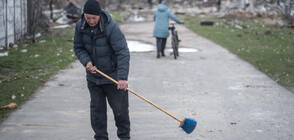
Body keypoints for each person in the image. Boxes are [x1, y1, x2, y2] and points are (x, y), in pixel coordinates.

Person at [73, 0, 130, 139]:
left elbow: (123, 52)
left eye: (94, 18)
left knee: (120, 112)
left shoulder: (111, 27)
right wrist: (86, 62)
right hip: (94, 78)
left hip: (113, 77)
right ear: (84, 15)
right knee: (97, 113)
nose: (91, 21)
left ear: (99, 15)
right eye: (88, 18)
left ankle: (124, 137)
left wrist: (122, 78)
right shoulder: (80, 26)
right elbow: (78, 47)